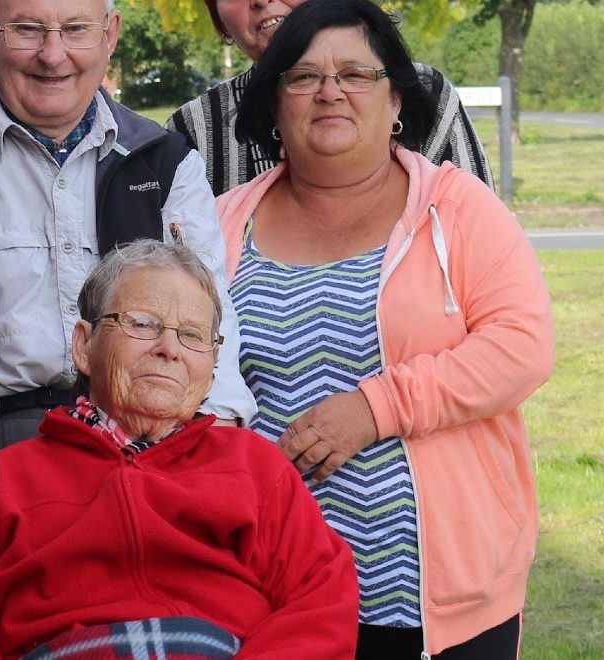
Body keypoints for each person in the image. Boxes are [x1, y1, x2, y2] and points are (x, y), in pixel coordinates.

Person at [0, 0, 258, 641]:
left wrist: (223, 453)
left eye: (75, 30)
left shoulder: (165, 164)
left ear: (111, 36)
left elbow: (211, 325)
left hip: (146, 459)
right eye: (27, 30)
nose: (53, 54)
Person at [216, 0, 554, 656]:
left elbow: (522, 345)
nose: (330, 91)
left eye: (357, 74)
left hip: (435, 606)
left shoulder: (456, 209)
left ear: (397, 100)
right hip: (266, 596)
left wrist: (376, 408)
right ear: (273, 107)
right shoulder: (219, 225)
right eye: (304, 76)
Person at [0, 240, 359, 659]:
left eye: (193, 335)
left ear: (213, 365)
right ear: (85, 346)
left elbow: (320, 601)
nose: (169, 349)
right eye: (143, 324)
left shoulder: (256, 469)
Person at [168, 0, 490, 195]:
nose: (261, 0)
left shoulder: (422, 93)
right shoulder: (192, 132)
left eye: (355, 77)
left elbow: (480, 242)